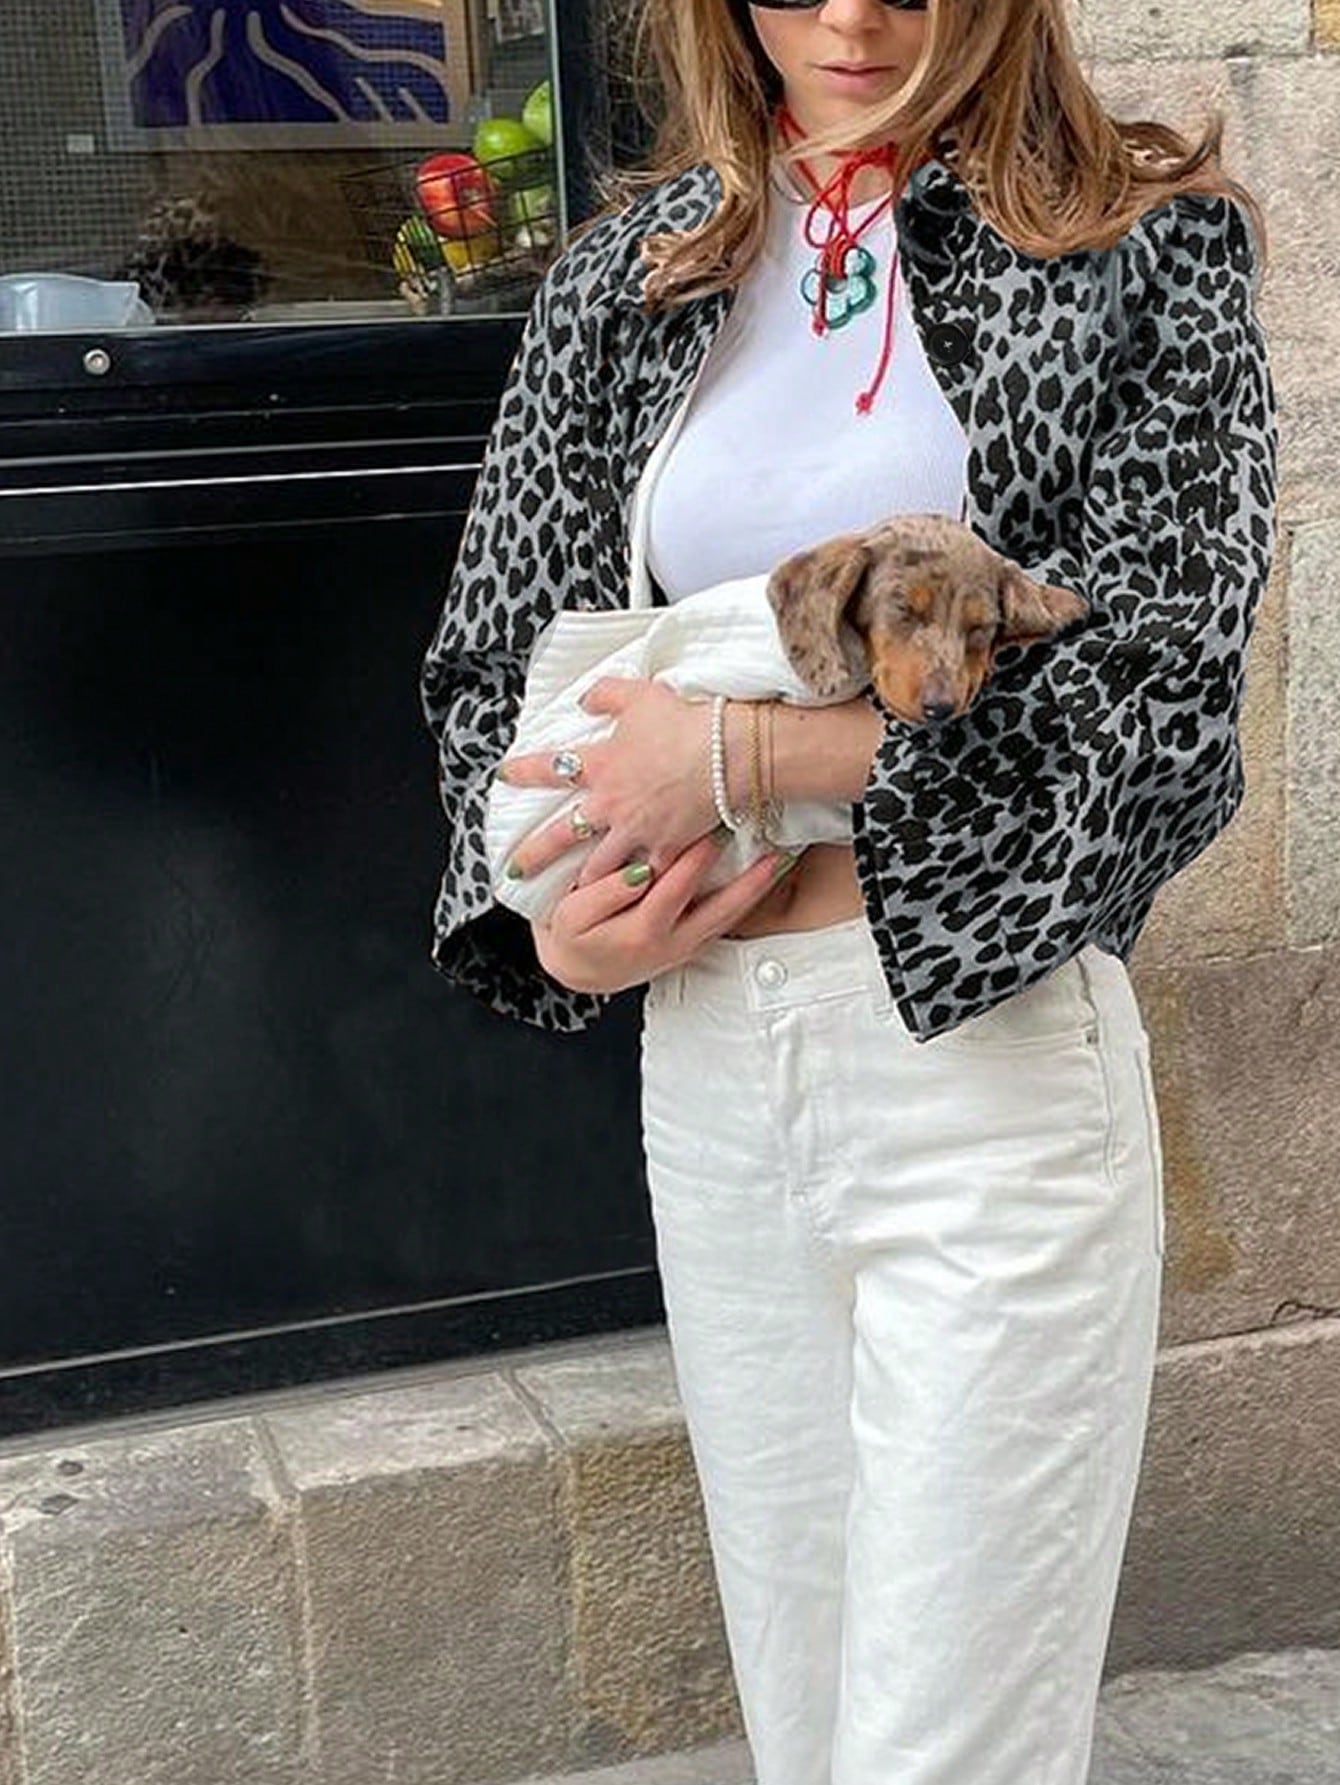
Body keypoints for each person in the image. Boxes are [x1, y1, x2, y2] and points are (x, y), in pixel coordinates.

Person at [419, 1, 1279, 1779]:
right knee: (806, 1731)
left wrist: (747, 761)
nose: (853, 15)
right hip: (715, 1075)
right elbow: (495, 662)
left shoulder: (1140, 250)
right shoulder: (627, 279)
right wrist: (557, 919)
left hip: (983, 1072)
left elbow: (1164, 712)